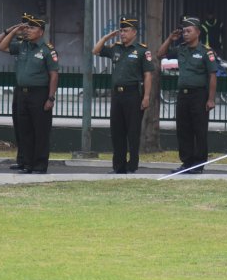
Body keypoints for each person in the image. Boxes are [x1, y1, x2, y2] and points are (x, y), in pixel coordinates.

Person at [0, 16, 59, 174]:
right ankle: (28, 164)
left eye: (32, 28)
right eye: (28, 28)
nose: (29, 31)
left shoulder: (47, 49)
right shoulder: (23, 46)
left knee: (40, 131)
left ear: (41, 32)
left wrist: (51, 97)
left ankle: (39, 165)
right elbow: (1, 46)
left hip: (39, 94)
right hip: (23, 94)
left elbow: (54, 75)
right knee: (25, 131)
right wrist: (14, 31)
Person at [93, 16, 154, 174]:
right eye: (121, 30)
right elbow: (96, 50)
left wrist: (146, 97)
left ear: (134, 32)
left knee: (132, 132)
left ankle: (132, 165)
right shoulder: (116, 48)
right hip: (117, 95)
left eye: (126, 31)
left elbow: (148, 75)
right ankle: (118, 166)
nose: (122, 33)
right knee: (117, 131)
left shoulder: (142, 50)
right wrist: (107, 37)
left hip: (133, 94)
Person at [158, 16, 217, 174]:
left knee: (199, 130)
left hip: (199, 95)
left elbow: (212, 75)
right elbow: (160, 54)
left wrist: (211, 99)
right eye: (184, 31)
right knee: (183, 130)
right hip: (183, 96)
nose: (185, 34)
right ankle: (187, 162)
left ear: (197, 32)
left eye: (189, 31)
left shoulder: (206, 51)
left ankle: (198, 164)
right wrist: (170, 39)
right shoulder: (181, 49)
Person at [0, 12, 33, 170]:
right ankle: (21, 159)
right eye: (22, 26)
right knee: (18, 125)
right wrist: (10, 31)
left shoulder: (31, 45)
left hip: (31, 89)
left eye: (27, 26)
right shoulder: (18, 43)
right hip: (19, 88)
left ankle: (28, 159)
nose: (24, 29)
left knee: (28, 127)